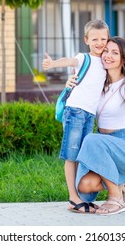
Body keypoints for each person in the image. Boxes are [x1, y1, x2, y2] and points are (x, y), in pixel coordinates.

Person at [66, 36, 125, 215]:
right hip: (102, 147)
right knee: (84, 187)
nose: (108, 55)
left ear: (124, 59)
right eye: (106, 51)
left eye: (114, 52)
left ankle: (116, 196)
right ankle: (121, 181)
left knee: (92, 140)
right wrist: (70, 85)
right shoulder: (97, 82)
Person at [42, 19, 109, 213]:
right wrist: (53, 63)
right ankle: (73, 198)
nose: (99, 43)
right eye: (95, 39)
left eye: (103, 39)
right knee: (71, 155)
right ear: (86, 40)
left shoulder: (105, 62)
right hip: (75, 111)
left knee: (82, 155)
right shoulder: (84, 58)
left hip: (89, 114)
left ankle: (81, 197)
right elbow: (69, 61)